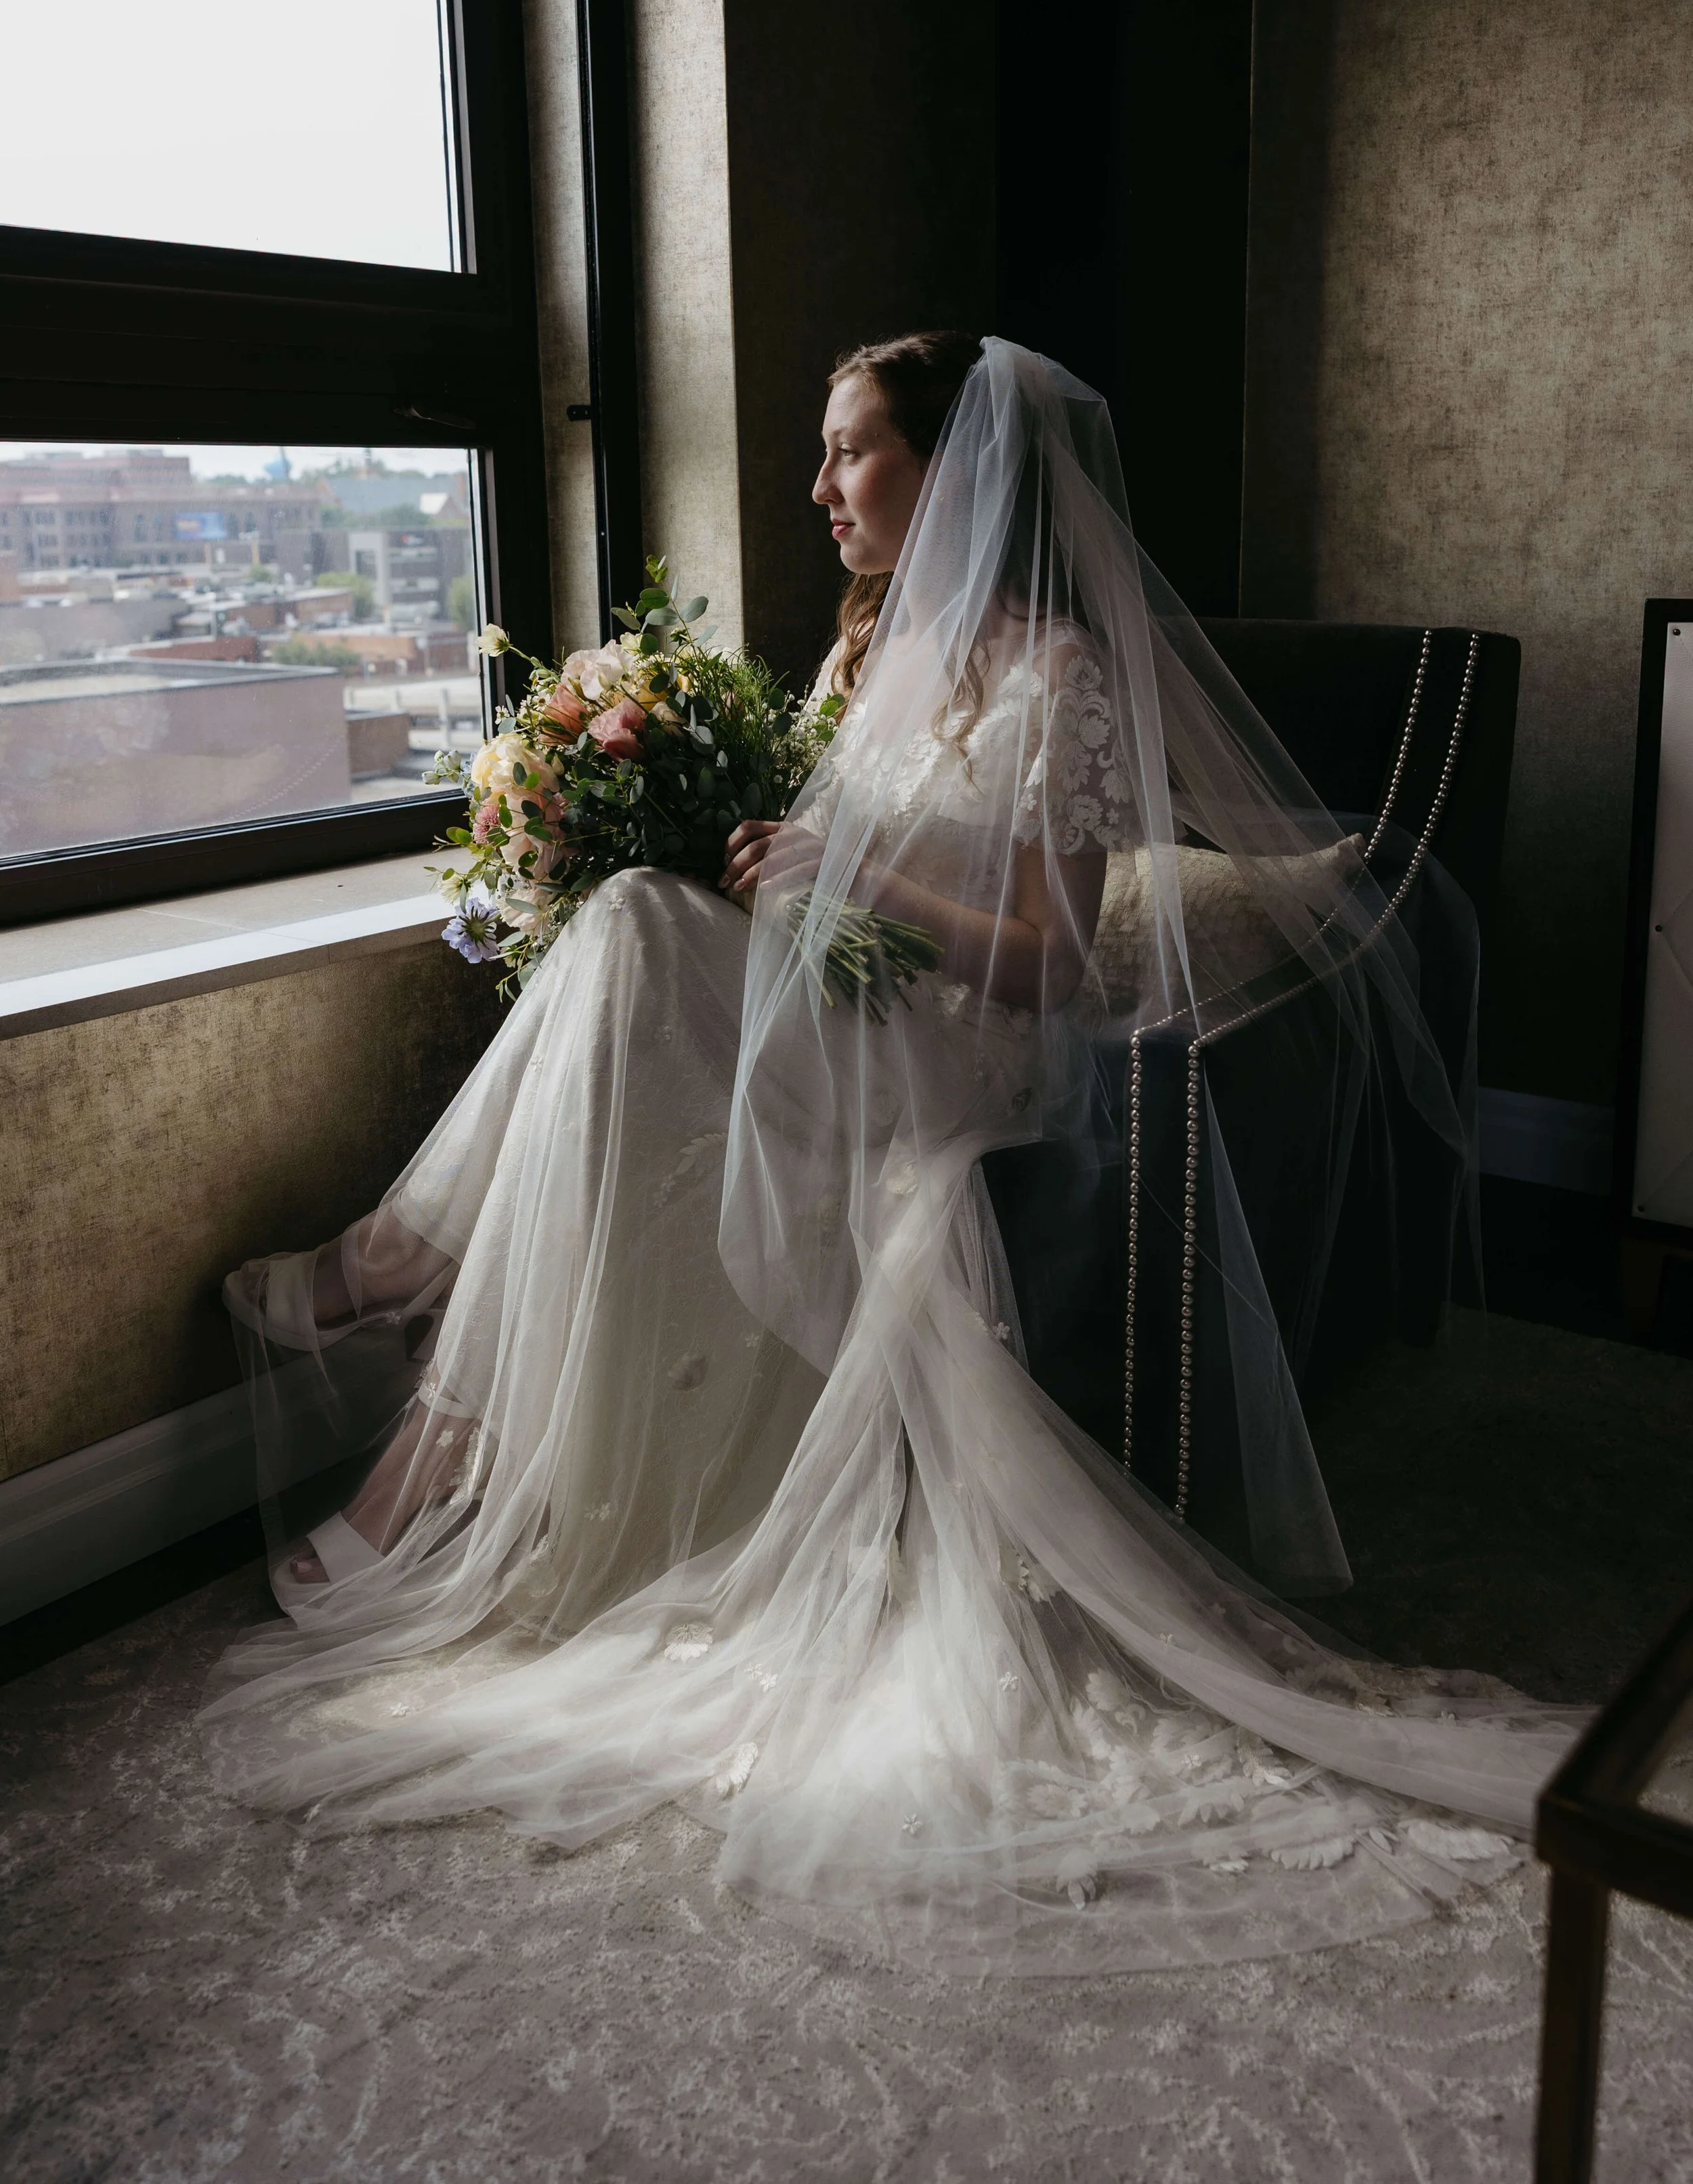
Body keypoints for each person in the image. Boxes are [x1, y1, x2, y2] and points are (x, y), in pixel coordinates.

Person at [207, 335, 1580, 1974]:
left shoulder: (1062, 677)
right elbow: (790, 878)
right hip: (825, 1016)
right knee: (635, 928)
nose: (817, 488)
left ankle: (394, 1293)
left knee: (638, 948)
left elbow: (1056, 964)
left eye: (849, 451)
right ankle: (424, 1391)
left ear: (952, 470)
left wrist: (855, 884)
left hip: (955, 1062)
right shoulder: (867, 654)